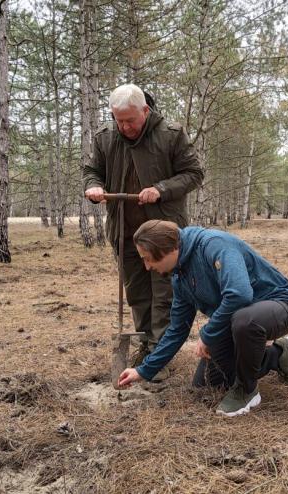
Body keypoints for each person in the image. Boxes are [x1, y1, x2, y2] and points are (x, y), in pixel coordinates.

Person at [118, 220, 288, 417]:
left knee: (245, 320)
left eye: (148, 259)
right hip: (239, 318)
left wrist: (207, 335)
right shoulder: (179, 278)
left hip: (280, 304)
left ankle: (246, 392)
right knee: (209, 383)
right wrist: (143, 371)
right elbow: (177, 330)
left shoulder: (213, 244)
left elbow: (239, 295)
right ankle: (278, 354)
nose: (147, 266)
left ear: (168, 249)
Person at [84, 84, 203, 381]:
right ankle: (146, 344)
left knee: (164, 293)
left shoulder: (171, 134)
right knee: (137, 292)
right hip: (124, 230)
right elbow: (91, 170)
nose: (124, 127)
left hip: (163, 231)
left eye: (130, 121)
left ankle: (160, 352)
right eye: (118, 120)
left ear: (145, 111)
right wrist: (93, 186)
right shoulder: (105, 138)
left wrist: (161, 189)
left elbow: (193, 173)